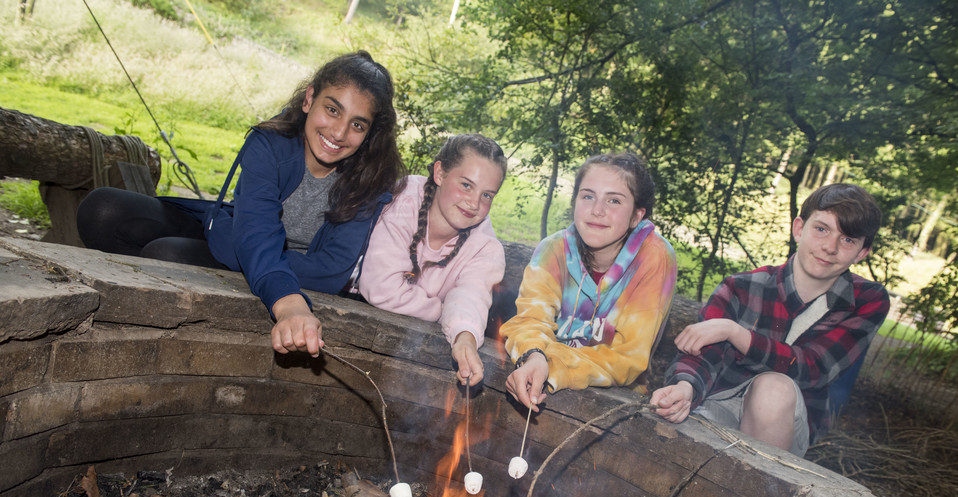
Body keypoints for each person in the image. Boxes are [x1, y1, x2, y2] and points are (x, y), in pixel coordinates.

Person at [76, 51, 405, 357]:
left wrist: (272, 276)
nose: (338, 131)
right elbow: (256, 227)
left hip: (257, 250)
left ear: (369, 133)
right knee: (103, 209)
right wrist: (259, 255)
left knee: (166, 255)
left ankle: (146, 342)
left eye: (357, 124)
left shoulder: (370, 181)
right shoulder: (270, 144)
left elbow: (331, 271)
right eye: (332, 109)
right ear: (309, 99)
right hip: (237, 230)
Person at [650, 182, 890, 457]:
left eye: (848, 240)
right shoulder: (740, 287)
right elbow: (703, 352)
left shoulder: (866, 300)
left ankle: (753, 496)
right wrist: (685, 386)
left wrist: (735, 333)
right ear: (799, 228)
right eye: (821, 229)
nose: (830, 247)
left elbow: (814, 368)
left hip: (785, 426)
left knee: (772, 389)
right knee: (672, 445)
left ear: (862, 252)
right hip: (720, 401)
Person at [501, 152, 678, 410]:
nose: (597, 210)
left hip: (613, 400)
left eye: (614, 200)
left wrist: (552, 364)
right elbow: (530, 319)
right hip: (538, 374)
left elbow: (627, 357)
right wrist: (534, 354)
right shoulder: (554, 249)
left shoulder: (654, 257)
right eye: (588, 196)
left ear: (637, 215)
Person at [357, 134, 507, 387]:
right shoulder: (404, 201)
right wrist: (441, 310)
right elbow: (381, 288)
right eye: (467, 185)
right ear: (439, 173)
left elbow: (471, 294)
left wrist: (464, 335)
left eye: (487, 195)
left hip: (402, 360)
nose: (474, 203)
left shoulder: (485, 247)